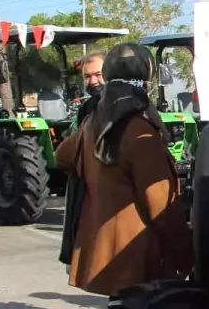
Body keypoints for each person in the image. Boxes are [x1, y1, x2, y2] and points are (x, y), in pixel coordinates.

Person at [54, 43, 193, 295]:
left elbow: (62, 157)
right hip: (137, 254)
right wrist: (186, 256)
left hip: (102, 249)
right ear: (145, 77)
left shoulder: (90, 122)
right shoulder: (138, 129)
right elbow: (161, 206)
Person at [69, 50, 107, 128]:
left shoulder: (126, 104)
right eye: (87, 76)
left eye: (98, 74)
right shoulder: (85, 109)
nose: (92, 81)